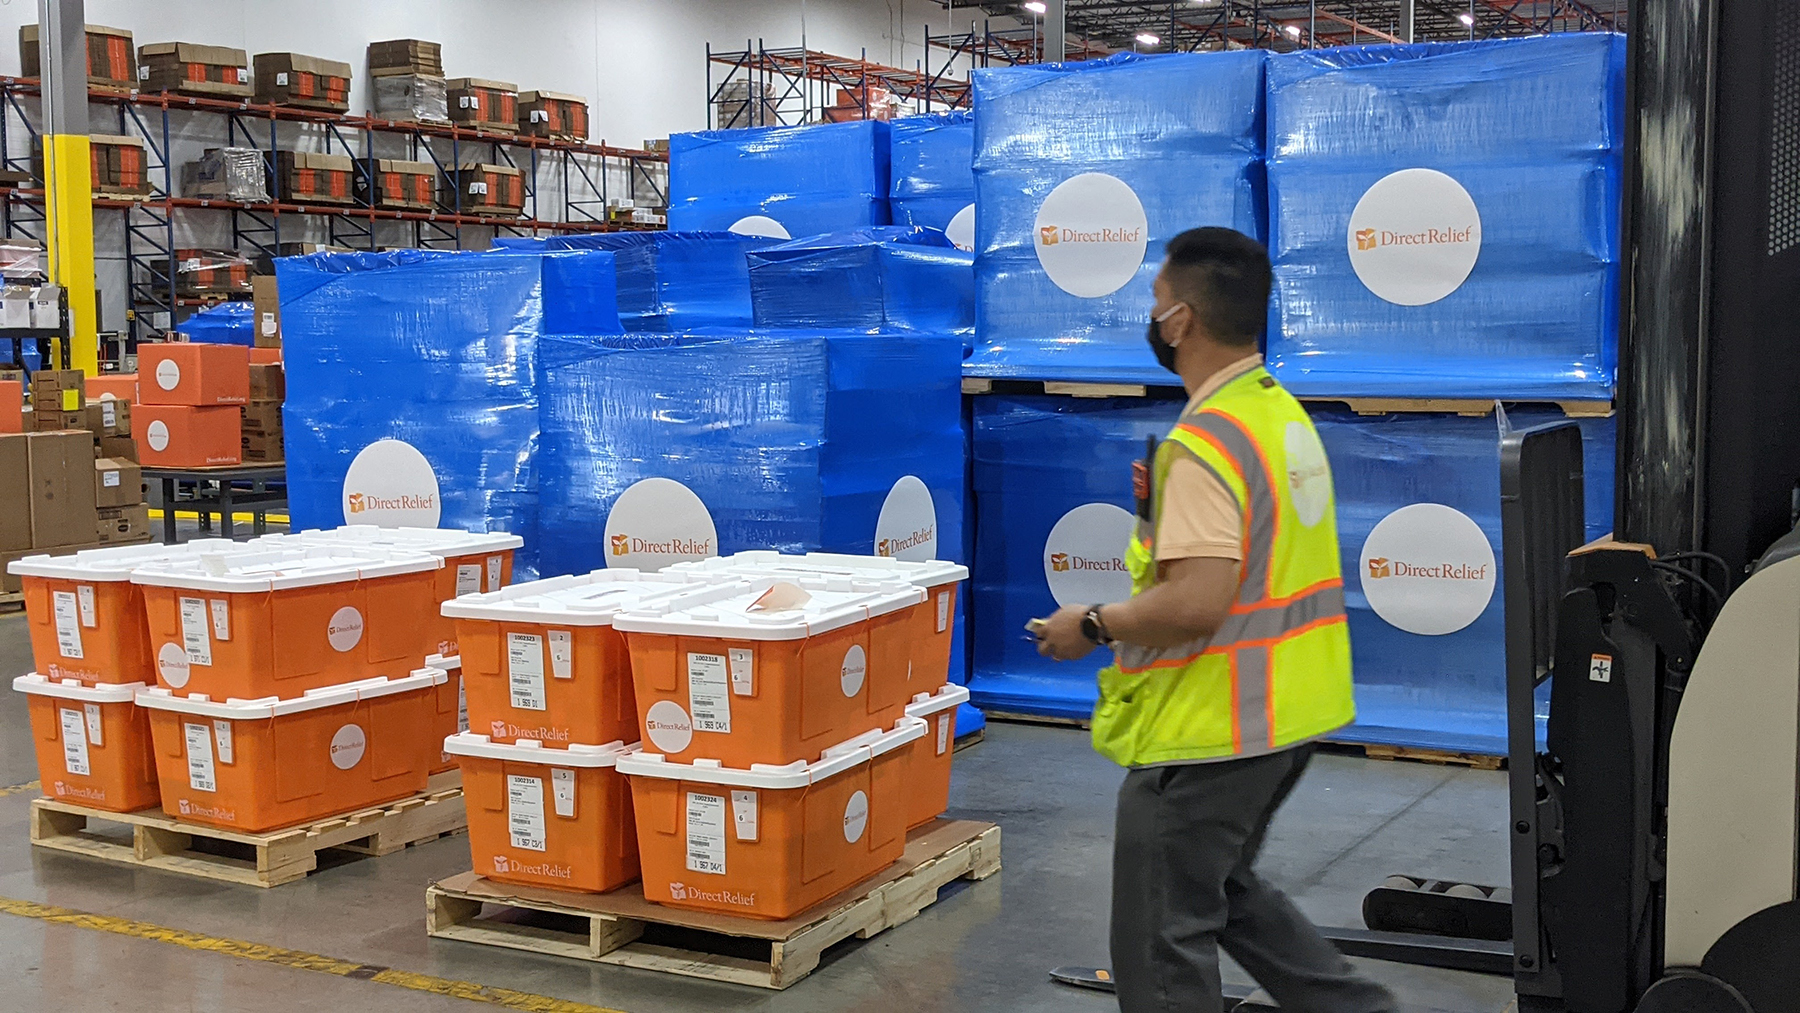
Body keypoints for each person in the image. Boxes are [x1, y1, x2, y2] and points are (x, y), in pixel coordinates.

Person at [1034, 227, 1397, 1013]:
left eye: (1159, 305)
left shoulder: (1204, 445)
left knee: (1162, 943)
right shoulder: (1277, 416)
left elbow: (1197, 602)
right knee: (1227, 891)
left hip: (1208, 730)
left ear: (1183, 321)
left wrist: (1090, 624)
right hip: (1288, 715)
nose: (1155, 319)